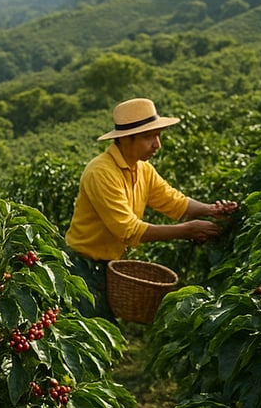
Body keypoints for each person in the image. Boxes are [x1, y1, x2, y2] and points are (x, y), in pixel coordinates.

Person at [64, 97, 236, 316]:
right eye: (149, 137)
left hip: (108, 267)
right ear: (126, 139)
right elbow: (127, 230)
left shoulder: (142, 169)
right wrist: (186, 231)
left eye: (158, 136)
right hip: (81, 267)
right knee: (92, 335)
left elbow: (174, 202)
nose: (157, 144)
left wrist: (211, 210)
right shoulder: (101, 172)